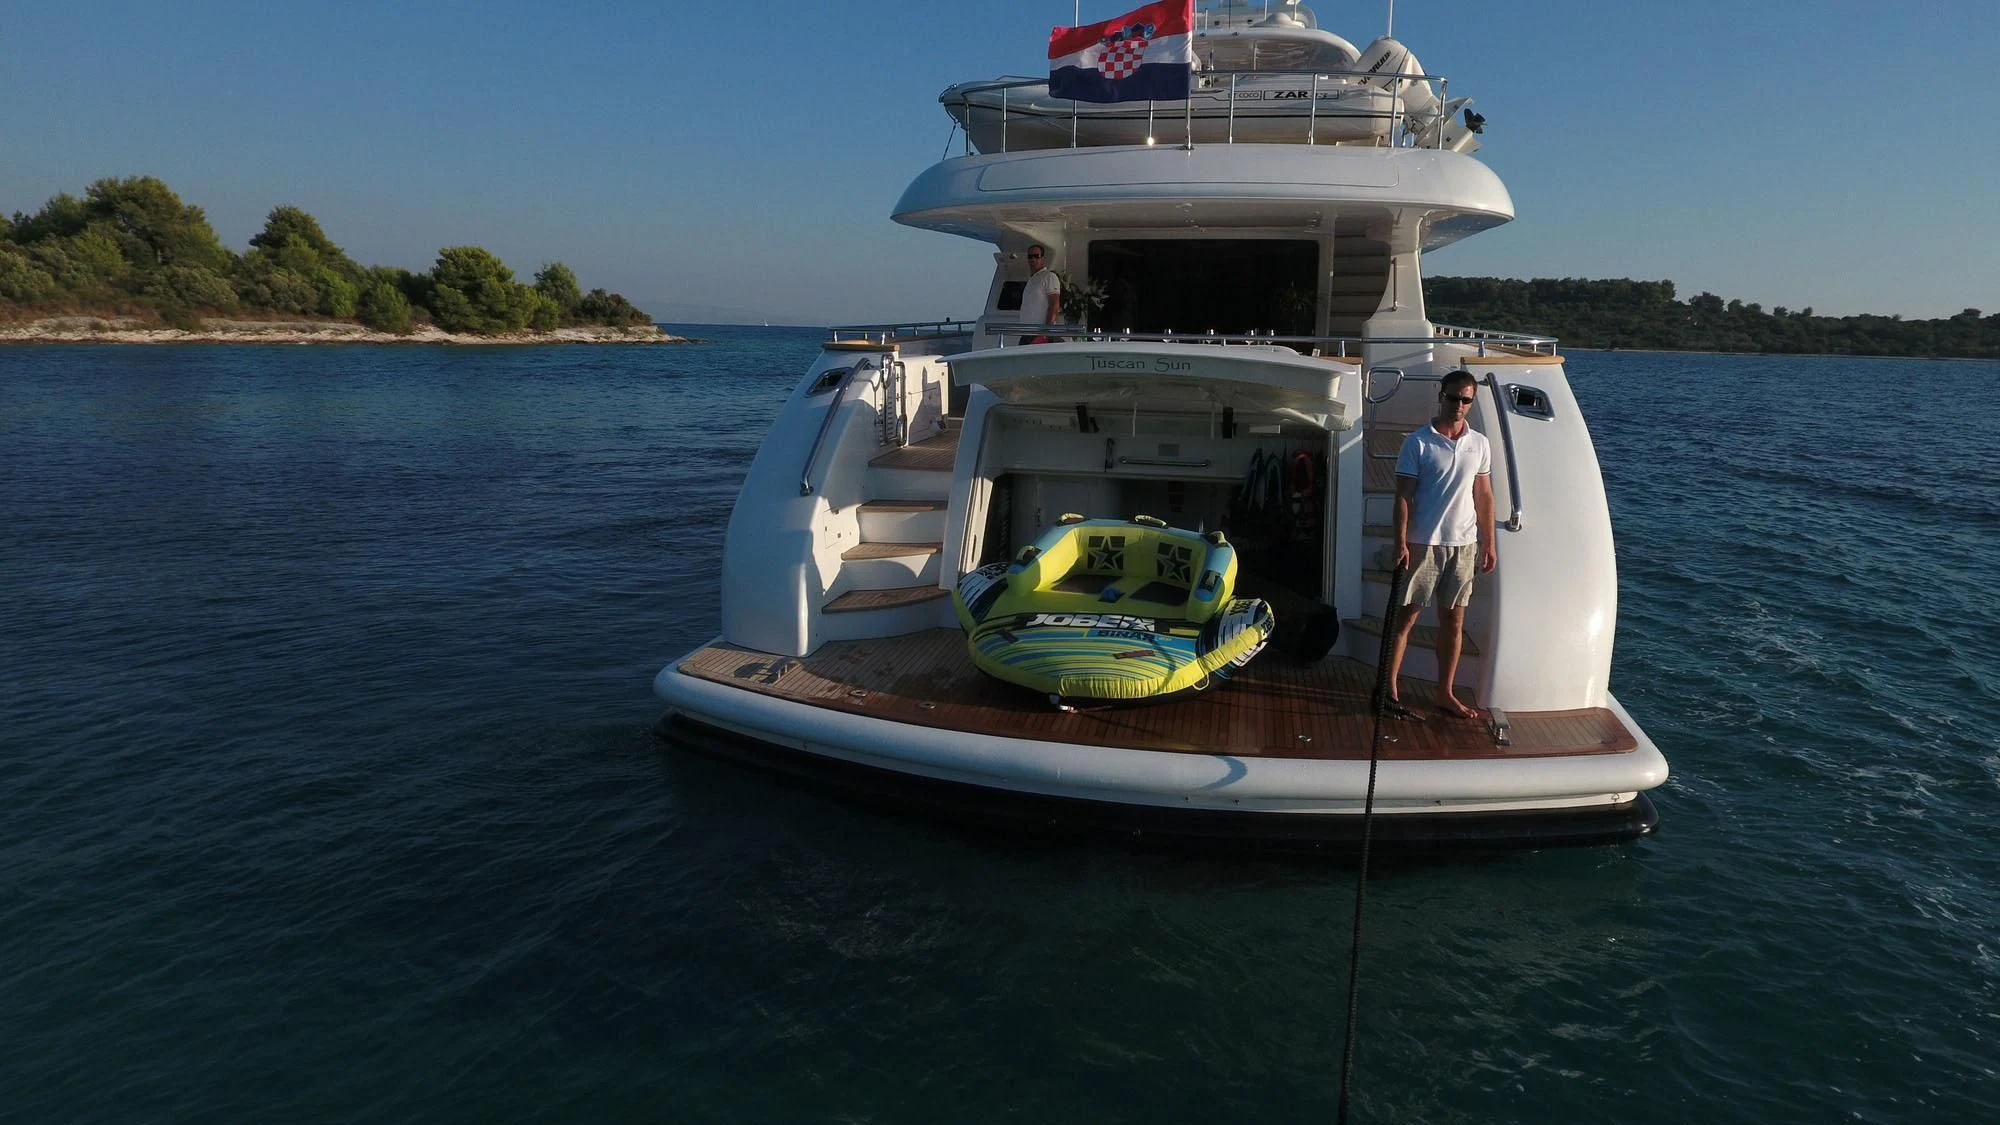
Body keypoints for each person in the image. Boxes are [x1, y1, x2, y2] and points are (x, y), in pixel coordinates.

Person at [1387, 371, 1496, 720]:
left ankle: (1444, 693)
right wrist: (1400, 542)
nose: (1459, 406)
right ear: (1441, 396)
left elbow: (1484, 495)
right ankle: (1388, 690)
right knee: (1406, 620)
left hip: (1463, 545)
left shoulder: (1479, 443)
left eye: (1466, 400)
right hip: (1423, 543)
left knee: (1453, 621)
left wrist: (1488, 542)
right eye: (1453, 398)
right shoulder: (1417, 443)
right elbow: (1403, 496)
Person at [1019, 245, 1061, 345]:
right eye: (1030, 256)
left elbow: (1054, 304)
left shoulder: (1049, 276)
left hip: (1040, 334)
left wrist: (1046, 332)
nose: (1033, 259)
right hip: (1027, 332)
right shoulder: (1032, 279)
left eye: (1036, 256)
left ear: (1043, 258)